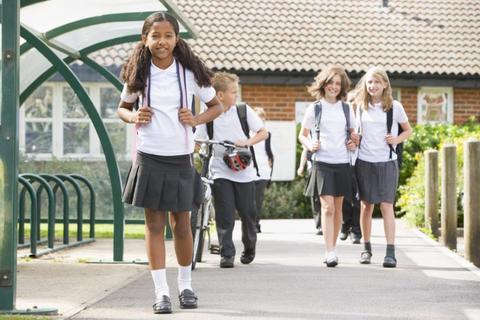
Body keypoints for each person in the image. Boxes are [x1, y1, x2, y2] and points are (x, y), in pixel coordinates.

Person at [117, 12, 222, 314]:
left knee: (182, 225)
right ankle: (160, 292)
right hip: (150, 157)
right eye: (155, 36)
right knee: (154, 225)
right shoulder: (138, 72)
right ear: (145, 39)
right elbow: (122, 109)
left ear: (177, 40)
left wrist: (196, 118)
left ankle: (186, 285)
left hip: (180, 158)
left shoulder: (189, 73)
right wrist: (134, 116)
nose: (161, 42)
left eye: (167, 36)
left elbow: (215, 106)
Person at [194, 72, 268, 268]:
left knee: (247, 213)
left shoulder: (243, 111)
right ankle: (227, 254)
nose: (237, 96)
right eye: (233, 92)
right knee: (225, 214)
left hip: (244, 171)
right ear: (219, 95)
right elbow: (197, 140)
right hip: (219, 170)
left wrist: (247, 142)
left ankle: (249, 247)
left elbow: (263, 132)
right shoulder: (209, 115)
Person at [351, 67, 412, 268]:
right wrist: (353, 139)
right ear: (366, 85)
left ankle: (390, 252)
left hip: (387, 162)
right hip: (364, 161)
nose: (373, 86)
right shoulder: (359, 106)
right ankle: (366, 249)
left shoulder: (395, 107)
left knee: (386, 205)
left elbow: (408, 131)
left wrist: (396, 139)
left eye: (377, 82)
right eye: (370, 82)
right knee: (366, 205)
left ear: (385, 84)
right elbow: (353, 133)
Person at [299, 65, 356, 267]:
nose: (334, 87)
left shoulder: (347, 109)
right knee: (327, 206)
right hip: (321, 163)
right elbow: (302, 135)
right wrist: (309, 144)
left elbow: (353, 135)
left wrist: (353, 141)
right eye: (331, 82)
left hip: (342, 162)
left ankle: (333, 249)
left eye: (338, 83)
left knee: (338, 208)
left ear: (343, 87)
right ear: (324, 84)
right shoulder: (315, 108)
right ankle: (329, 251)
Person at [340, 90, 362, 244]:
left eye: (356, 100)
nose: (353, 103)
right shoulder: (343, 118)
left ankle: (356, 230)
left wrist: (357, 143)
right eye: (351, 100)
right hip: (343, 162)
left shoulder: (363, 119)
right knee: (344, 198)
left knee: (357, 198)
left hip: (359, 162)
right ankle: (344, 225)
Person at [252, 107, 274, 233]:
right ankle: (251, 222)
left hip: (263, 171)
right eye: (257, 117)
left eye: (262, 117)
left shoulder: (267, 134)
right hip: (250, 171)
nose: (260, 119)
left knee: (258, 199)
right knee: (249, 200)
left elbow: (270, 153)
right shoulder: (248, 133)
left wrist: (271, 171)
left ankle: (256, 223)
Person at [297, 144, 322, 236]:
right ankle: (320, 226)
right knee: (315, 197)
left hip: (327, 166)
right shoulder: (308, 132)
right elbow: (305, 150)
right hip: (312, 168)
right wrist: (301, 167)